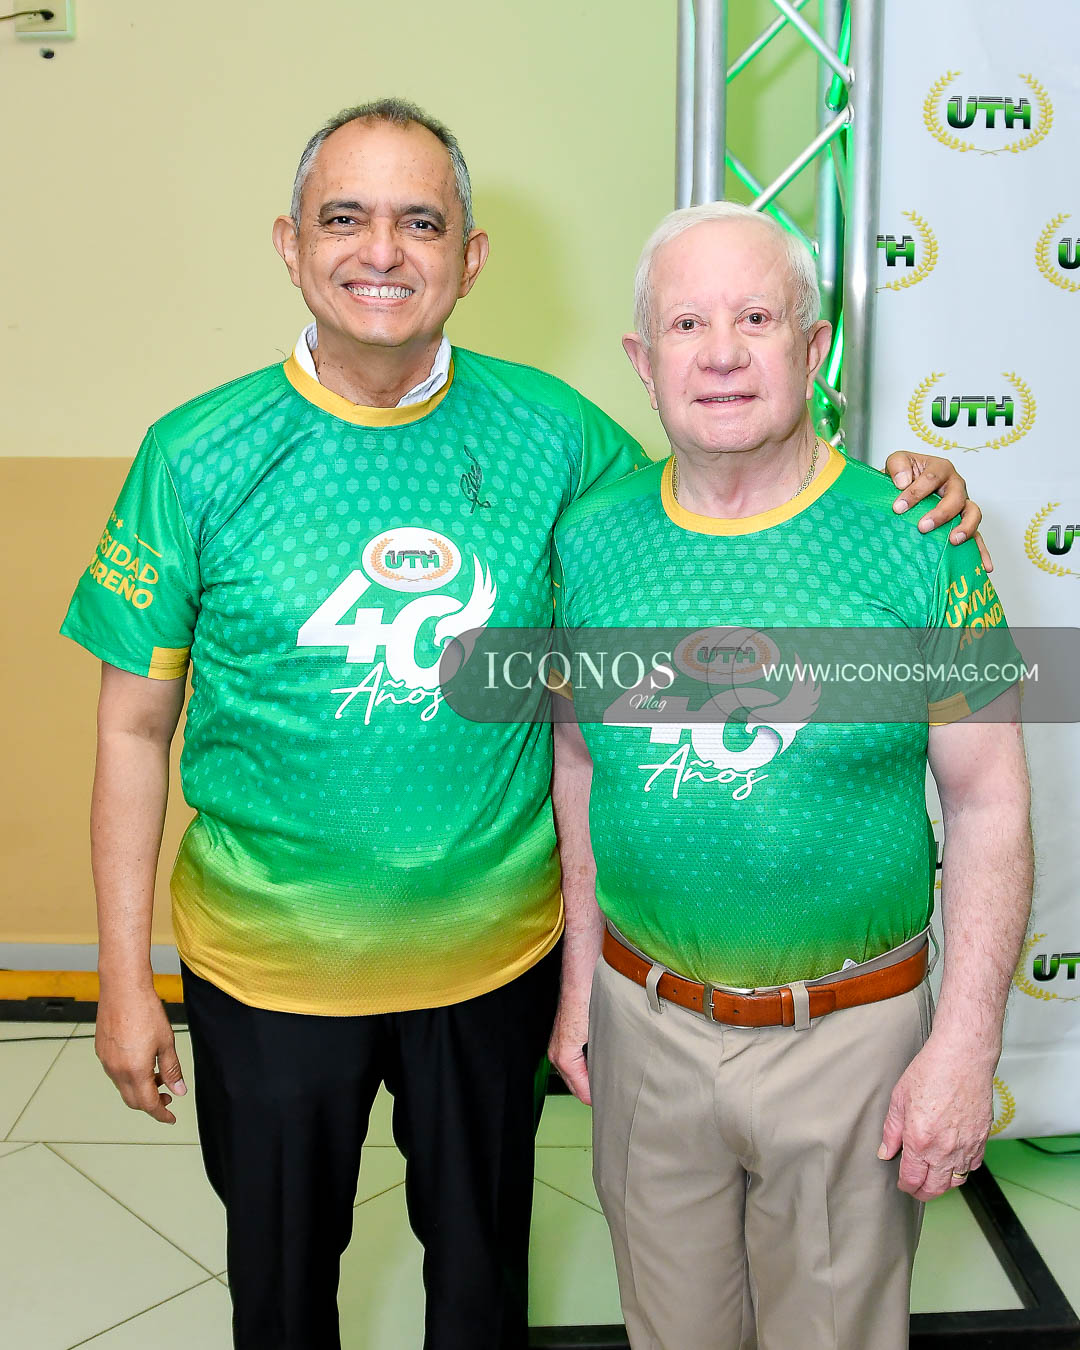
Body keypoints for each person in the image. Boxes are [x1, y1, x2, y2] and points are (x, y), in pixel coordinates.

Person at [61, 100, 981, 1350]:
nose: (381, 251)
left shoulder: (556, 435)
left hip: (493, 967)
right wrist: (122, 980)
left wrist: (908, 490)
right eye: (345, 218)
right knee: (278, 1298)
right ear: (289, 243)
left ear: (470, 257)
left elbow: (728, 477)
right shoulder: (194, 455)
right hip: (266, 972)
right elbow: (131, 732)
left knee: (483, 1294)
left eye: (420, 222)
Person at [548, 201, 1033, 1350]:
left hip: (852, 1045)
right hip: (644, 1027)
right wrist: (577, 992)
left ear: (814, 349)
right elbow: (577, 764)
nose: (720, 353)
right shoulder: (591, 539)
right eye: (687, 324)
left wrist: (966, 1048)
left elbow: (989, 801)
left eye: (757, 319)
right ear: (643, 361)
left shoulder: (916, 535)